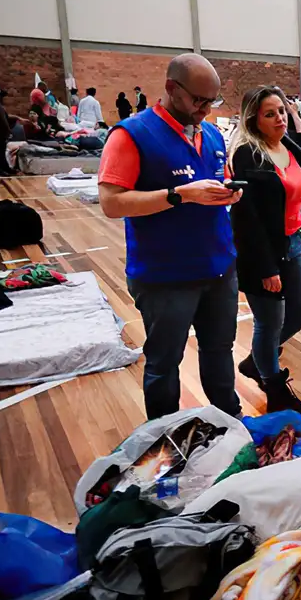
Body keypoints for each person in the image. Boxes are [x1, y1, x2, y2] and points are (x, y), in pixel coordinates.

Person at [97, 54, 243, 420]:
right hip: (165, 275)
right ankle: (164, 436)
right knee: (164, 363)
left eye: (212, 102)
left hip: (218, 267)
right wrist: (179, 194)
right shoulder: (131, 134)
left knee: (219, 351)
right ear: (171, 89)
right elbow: (112, 203)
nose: (206, 110)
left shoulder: (210, 134)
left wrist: (229, 193)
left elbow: (216, 180)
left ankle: (230, 421)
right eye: (198, 100)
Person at [227, 86, 301, 416]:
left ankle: (257, 362)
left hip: (293, 242)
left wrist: (292, 120)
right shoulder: (247, 155)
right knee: (269, 322)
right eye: (270, 114)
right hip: (261, 253)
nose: (279, 118)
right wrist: (266, 269)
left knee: (299, 314)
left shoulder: (285, 146)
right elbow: (247, 220)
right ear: (253, 119)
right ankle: (275, 390)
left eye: (281, 111)